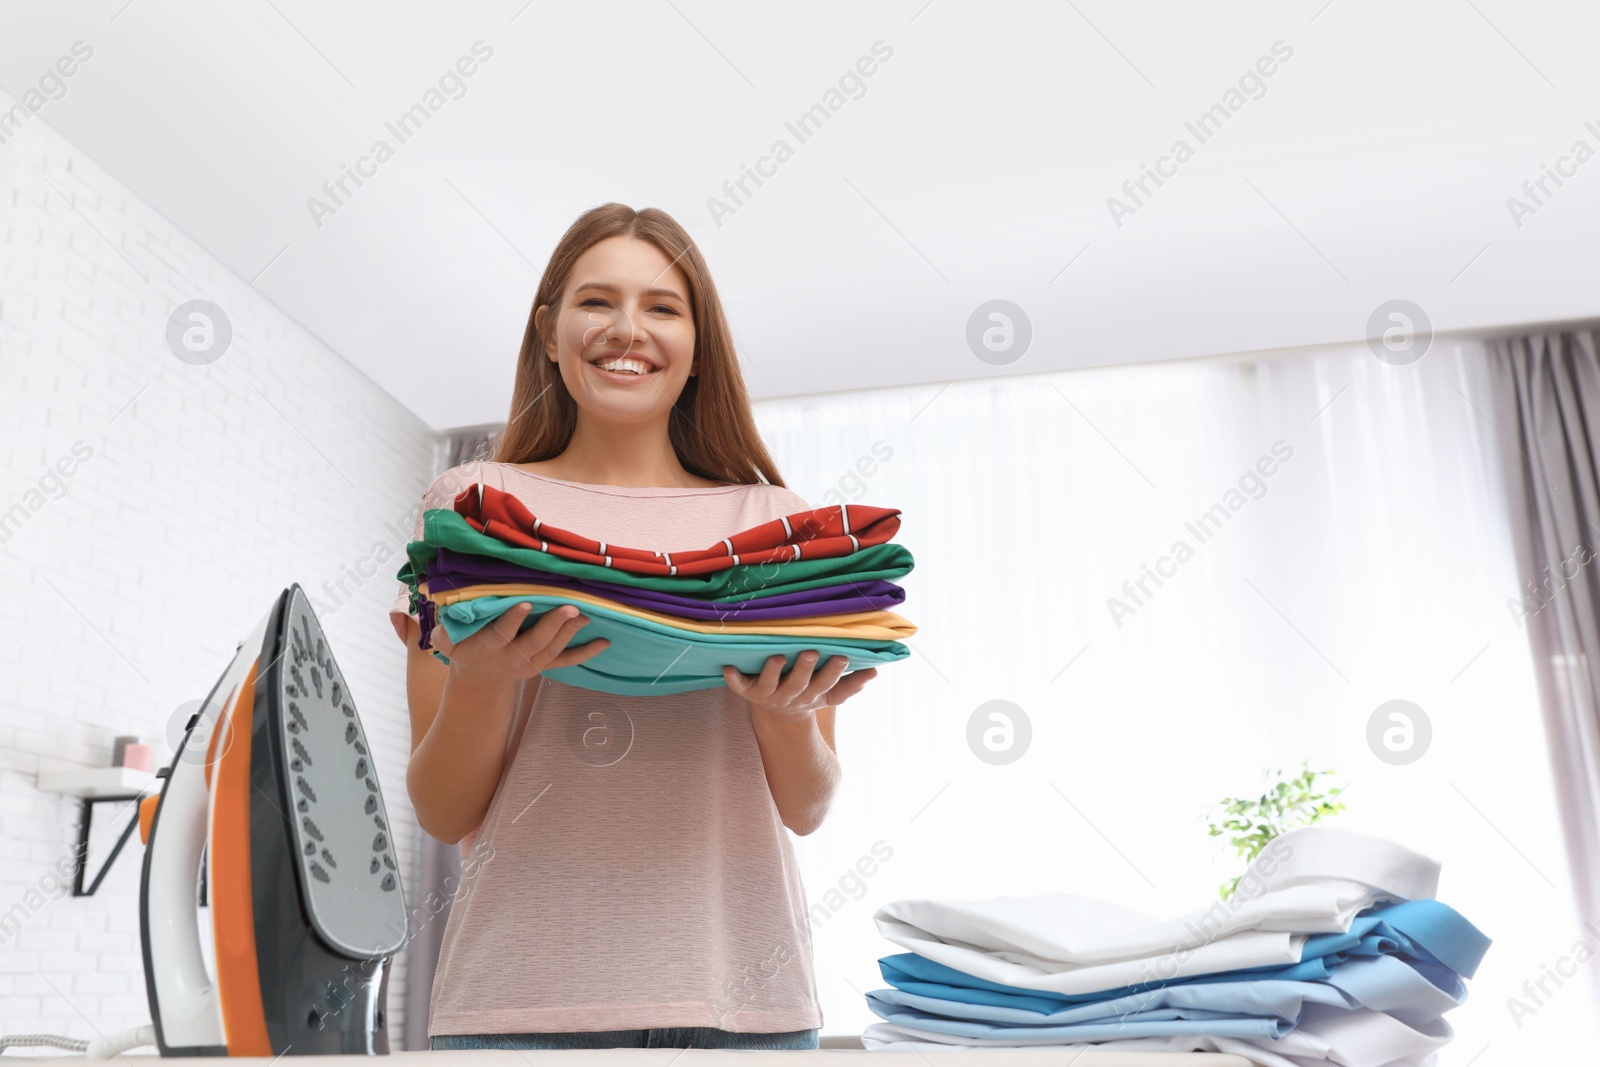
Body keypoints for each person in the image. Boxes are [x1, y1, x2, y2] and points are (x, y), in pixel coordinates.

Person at [390, 203, 879, 1051]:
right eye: (596, 301)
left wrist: (784, 709)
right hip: (520, 1002)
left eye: (662, 307)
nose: (627, 330)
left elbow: (808, 806)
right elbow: (440, 808)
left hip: (742, 1005)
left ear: (697, 345)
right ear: (549, 330)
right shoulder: (470, 507)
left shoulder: (776, 522)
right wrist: (481, 682)